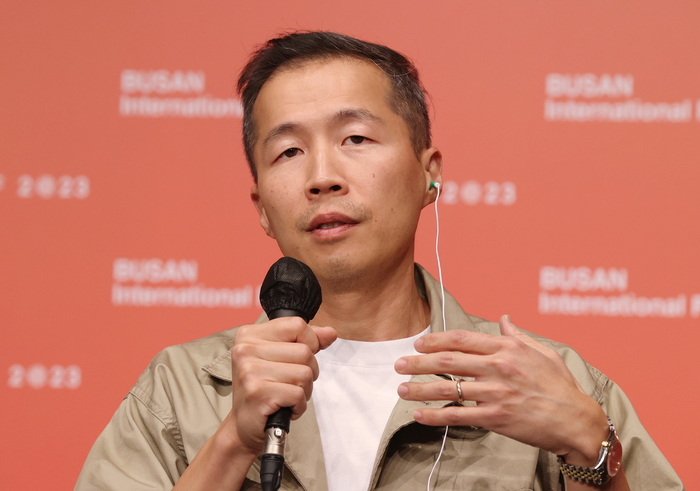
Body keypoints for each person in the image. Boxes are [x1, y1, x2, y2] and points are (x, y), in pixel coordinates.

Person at [75, 31, 684, 491]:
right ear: (261, 207)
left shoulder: (545, 381)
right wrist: (233, 441)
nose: (322, 176)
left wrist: (591, 447)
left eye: (356, 139)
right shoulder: (180, 390)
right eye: (288, 151)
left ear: (428, 174)